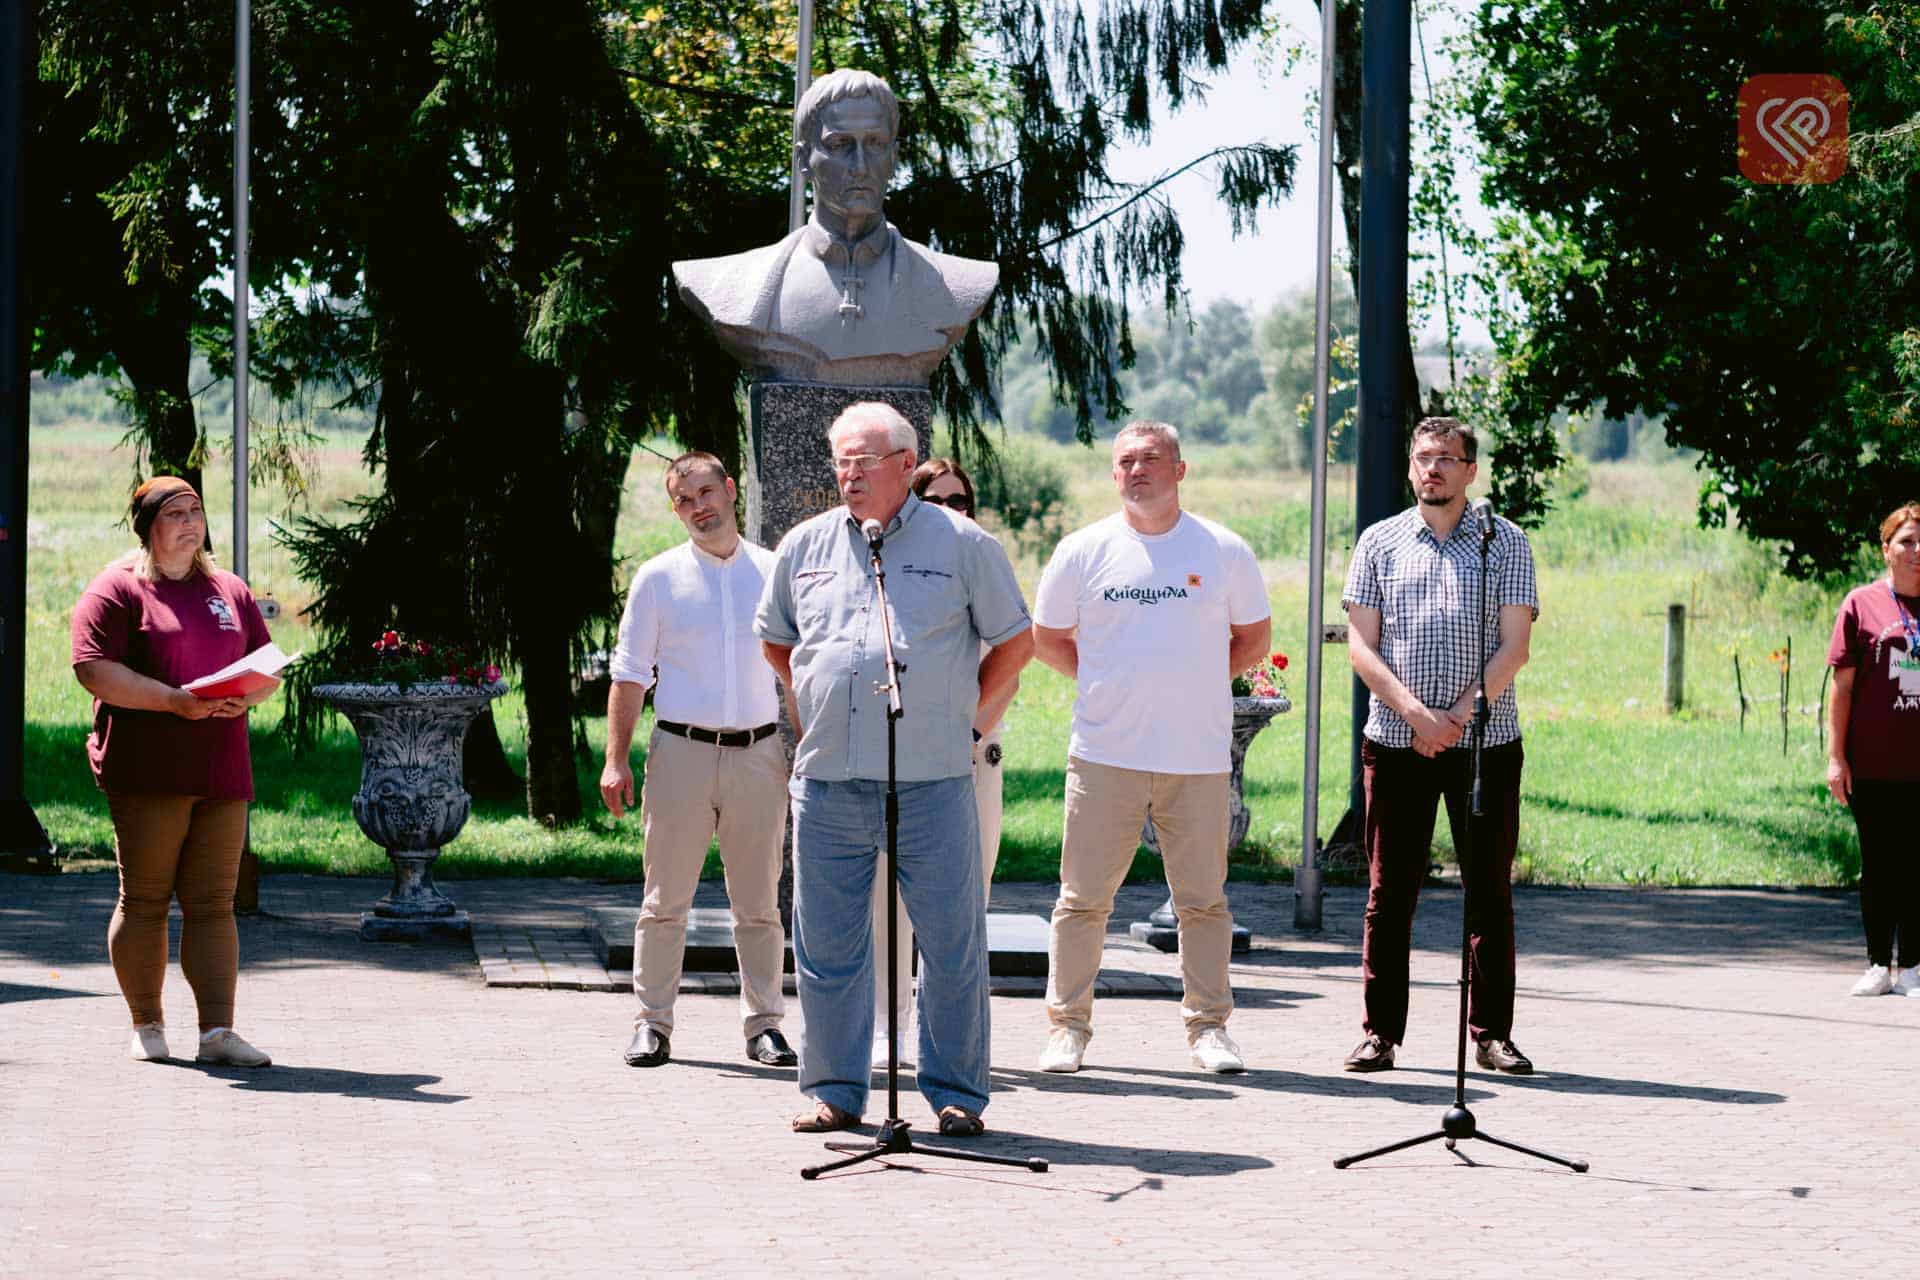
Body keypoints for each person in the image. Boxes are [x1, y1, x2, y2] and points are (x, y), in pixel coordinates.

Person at [756, 402, 1034, 1137]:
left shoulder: (963, 544)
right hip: (828, 780)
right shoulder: (805, 544)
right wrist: (813, 706)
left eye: (864, 461)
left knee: (950, 945)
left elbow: (1016, 642)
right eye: (841, 461)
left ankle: (955, 1094)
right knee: (828, 947)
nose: (848, 474)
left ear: (907, 465)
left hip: (934, 779)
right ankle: (835, 1090)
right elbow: (777, 640)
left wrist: (966, 724)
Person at [1030, 421, 1271, 1076]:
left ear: (1179, 470)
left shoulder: (1222, 550)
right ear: (1114, 475)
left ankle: (1209, 1029)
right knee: (1082, 900)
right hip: (1104, 754)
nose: (1137, 470)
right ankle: (1067, 1029)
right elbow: (1048, 638)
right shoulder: (1083, 550)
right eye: (1126, 461)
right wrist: (1105, 679)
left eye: (1151, 459)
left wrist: (1197, 681)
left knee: (1203, 903)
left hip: (1196, 758)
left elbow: (1254, 638)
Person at [1339, 416, 1539, 1076]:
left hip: (1485, 744)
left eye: (1448, 458)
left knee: (1489, 893)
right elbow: (1361, 647)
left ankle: (1493, 1035)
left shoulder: (1503, 543)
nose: (1433, 468)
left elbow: (1515, 646)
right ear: (1410, 466)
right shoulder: (1380, 542)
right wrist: (1417, 716)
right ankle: (1380, 1034)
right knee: (1388, 895)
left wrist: (1456, 716)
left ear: (1470, 470)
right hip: (1396, 741)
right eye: (1424, 457)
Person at [69, 476, 279, 1067]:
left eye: (196, 511)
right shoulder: (118, 588)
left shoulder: (229, 589)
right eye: (175, 514)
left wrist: (247, 695)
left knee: (214, 903)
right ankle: (147, 1023)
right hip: (149, 770)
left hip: (222, 767)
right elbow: (92, 669)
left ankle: (217, 1033)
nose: (190, 522)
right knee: (145, 899)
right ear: (147, 527)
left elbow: (265, 665)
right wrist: (171, 701)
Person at [600, 453, 797, 1069]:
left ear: (730, 490)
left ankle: (765, 1025)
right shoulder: (658, 578)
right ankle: (651, 1023)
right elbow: (630, 673)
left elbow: (795, 669)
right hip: (679, 753)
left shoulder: (773, 572)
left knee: (759, 904)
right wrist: (615, 760)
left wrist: (805, 747)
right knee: (663, 901)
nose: (698, 507)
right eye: (684, 501)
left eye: (706, 492)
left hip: (758, 753)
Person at [672, 69, 997, 386]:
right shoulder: (735, 284)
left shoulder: (954, 285)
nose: (860, 166)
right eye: (840, 144)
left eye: (875, 143)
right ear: (803, 159)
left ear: (894, 157)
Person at [868, 458, 1018, 1067]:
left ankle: (947, 1039)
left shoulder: (984, 560)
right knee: (888, 901)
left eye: (961, 501)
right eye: (937, 501)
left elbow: (1010, 663)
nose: (953, 511)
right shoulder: (885, 565)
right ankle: (889, 1027)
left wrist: (966, 735)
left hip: (971, 757)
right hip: (897, 758)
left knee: (961, 907)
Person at [1826, 502, 1920, 997]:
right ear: (1886, 549)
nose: (1917, 551)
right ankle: (1879, 964)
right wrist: (1836, 757)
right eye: (1907, 541)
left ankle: (1915, 968)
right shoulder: (1861, 605)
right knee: (1880, 865)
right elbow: (1841, 689)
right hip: (1875, 762)